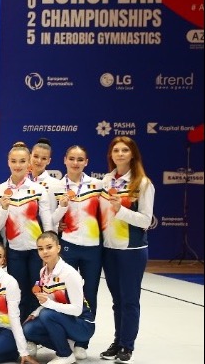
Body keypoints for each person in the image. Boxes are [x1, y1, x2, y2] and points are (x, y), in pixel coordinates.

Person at [98, 136, 154, 363]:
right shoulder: (106, 180)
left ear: (132, 154)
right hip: (109, 249)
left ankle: (127, 345)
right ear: (111, 155)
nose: (120, 154)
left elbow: (146, 220)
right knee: (117, 300)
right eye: (116, 150)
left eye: (125, 150)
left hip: (132, 249)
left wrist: (121, 210)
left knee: (129, 299)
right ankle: (118, 339)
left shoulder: (142, 183)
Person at [52, 144, 102, 359]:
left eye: (80, 159)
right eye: (71, 158)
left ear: (86, 162)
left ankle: (83, 342)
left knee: (89, 295)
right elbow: (51, 220)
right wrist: (60, 213)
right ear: (64, 160)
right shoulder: (55, 186)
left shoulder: (97, 185)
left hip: (93, 248)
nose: (75, 163)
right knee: (65, 293)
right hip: (68, 245)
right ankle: (66, 339)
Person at [0, 142, 52, 322]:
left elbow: (47, 221)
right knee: (18, 292)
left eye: (22, 161)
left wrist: (49, 249)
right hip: (15, 250)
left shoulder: (38, 189)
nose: (17, 165)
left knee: (37, 291)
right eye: (14, 161)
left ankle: (34, 332)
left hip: (36, 250)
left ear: (29, 164)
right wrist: (3, 208)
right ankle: (20, 331)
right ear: (8, 162)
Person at [23, 232, 95, 364]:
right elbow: (50, 301)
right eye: (40, 248)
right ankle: (67, 344)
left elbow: (77, 310)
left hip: (82, 325)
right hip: (63, 319)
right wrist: (36, 312)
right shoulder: (43, 271)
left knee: (46, 314)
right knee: (29, 328)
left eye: (49, 247)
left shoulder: (69, 273)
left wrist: (47, 305)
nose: (44, 252)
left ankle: (65, 354)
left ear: (58, 248)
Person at [29, 138, 66, 224]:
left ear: (49, 161)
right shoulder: (21, 181)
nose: (39, 161)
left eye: (44, 158)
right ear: (30, 156)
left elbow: (60, 216)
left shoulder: (56, 184)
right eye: (36, 156)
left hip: (47, 234)